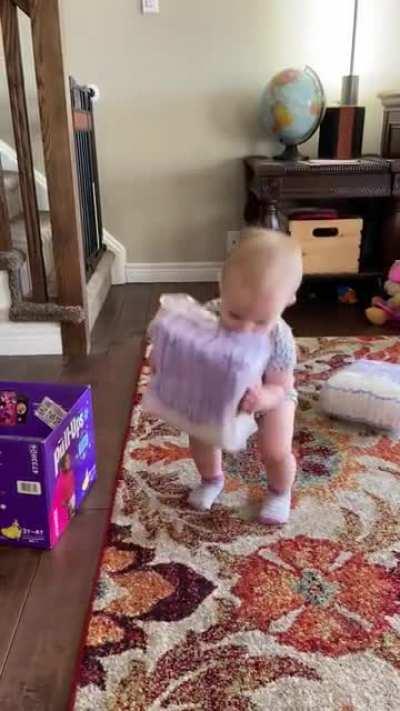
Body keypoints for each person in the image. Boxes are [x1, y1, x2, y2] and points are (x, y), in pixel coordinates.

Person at [188, 227, 302, 525]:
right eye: (235, 315)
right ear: (221, 287)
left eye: (261, 320)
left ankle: (279, 491)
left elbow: (281, 387)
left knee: (276, 450)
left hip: (269, 394)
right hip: (219, 389)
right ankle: (211, 478)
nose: (246, 329)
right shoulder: (207, 318)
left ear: (288, 300)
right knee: (201, 435)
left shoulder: (280, 338)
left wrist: (263, 397)